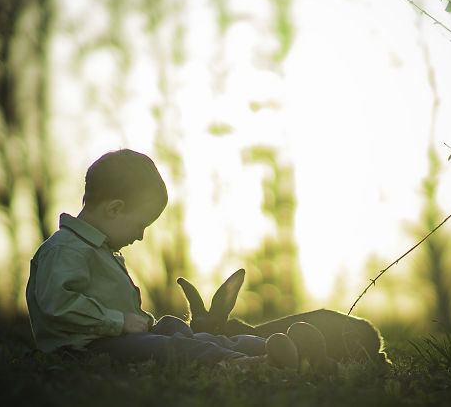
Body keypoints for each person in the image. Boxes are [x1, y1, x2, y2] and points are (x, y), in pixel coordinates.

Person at [25, 149, 297, 367]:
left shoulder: (98, 250)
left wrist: (137, 323)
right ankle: (243, 363)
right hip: (86, 350)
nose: (141, 236)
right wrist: (119, 322)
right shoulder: (65, 250)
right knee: (172, 345)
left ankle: (281, 346)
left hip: (115, 338)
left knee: (175, 327)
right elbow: (58, 306)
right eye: (140, 225)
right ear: (115, 209)